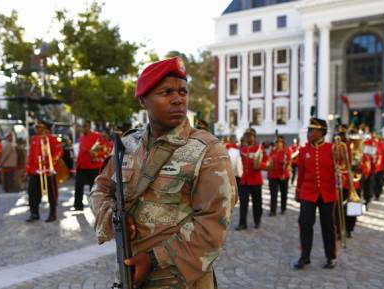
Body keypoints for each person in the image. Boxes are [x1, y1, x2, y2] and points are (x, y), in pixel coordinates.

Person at [89, 57, 237, 289]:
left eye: (183, 91)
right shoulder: (127, 145)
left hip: (181, 280)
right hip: (129, 274)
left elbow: (213, 224)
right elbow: (100, 188)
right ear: (143, 100)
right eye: (166, 92)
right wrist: (113, 216)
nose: (178, 99)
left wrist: (154, 259)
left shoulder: (208, 150)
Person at [294, 118, 338, 270]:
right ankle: (304, 256)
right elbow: (301, 174)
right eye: (309, 130)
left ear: (321, 132)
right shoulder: (304, 151)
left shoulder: (332, 149)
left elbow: (341, 169)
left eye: (312, 130)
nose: (309, 133)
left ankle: (331, 256)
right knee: (305, 224)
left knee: (328, 226)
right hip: (308, 192)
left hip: (327, 192)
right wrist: (298, 191)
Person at [25, 120, 63, 222]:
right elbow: (31, 155)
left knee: (52, 194)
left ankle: (52, 214)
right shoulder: (33, 139)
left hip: (48, 170)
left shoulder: (52, 139)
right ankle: (34, 213)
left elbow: (58, 152)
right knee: (32, 192)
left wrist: (51, 163)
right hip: (35, 171)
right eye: (36, 127)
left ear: (45, 128)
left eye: (38, 127)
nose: (36, 128)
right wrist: (29, 168)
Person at [236, 128, 268, 230]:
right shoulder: (242, 149)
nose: (248, 137)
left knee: (257, 203)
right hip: (244, 181)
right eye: (246, 135)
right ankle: (242, 224)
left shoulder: (259, 148)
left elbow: (267, 161)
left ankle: (257, 220)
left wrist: (260, 165)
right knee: (243, 204)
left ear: (254, 137)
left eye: (250, 135)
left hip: (255, 181)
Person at [73, 120, 106, 211]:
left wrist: (96, 155)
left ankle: (94, 206)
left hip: (93, 166)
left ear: (89, 126)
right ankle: (78, 205)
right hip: (81, 166)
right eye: (82, 126)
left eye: (85, 126)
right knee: (78, 186)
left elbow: (104, 149)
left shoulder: (97, 135)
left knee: (94, 188)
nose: (83, 128)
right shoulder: (81, 137)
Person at [267, 135, 291, 216]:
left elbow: (289, 162)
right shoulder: (272, 151)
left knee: (284, 193)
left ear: (282, 143)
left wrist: (287, 167)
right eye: (276, 142)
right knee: (273, 194)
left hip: (283, 175)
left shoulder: (287, 151)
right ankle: (272, 211)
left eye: (279, 142)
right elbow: (269, 162)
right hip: (273, 176)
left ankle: (283, 208)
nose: (277, 144)